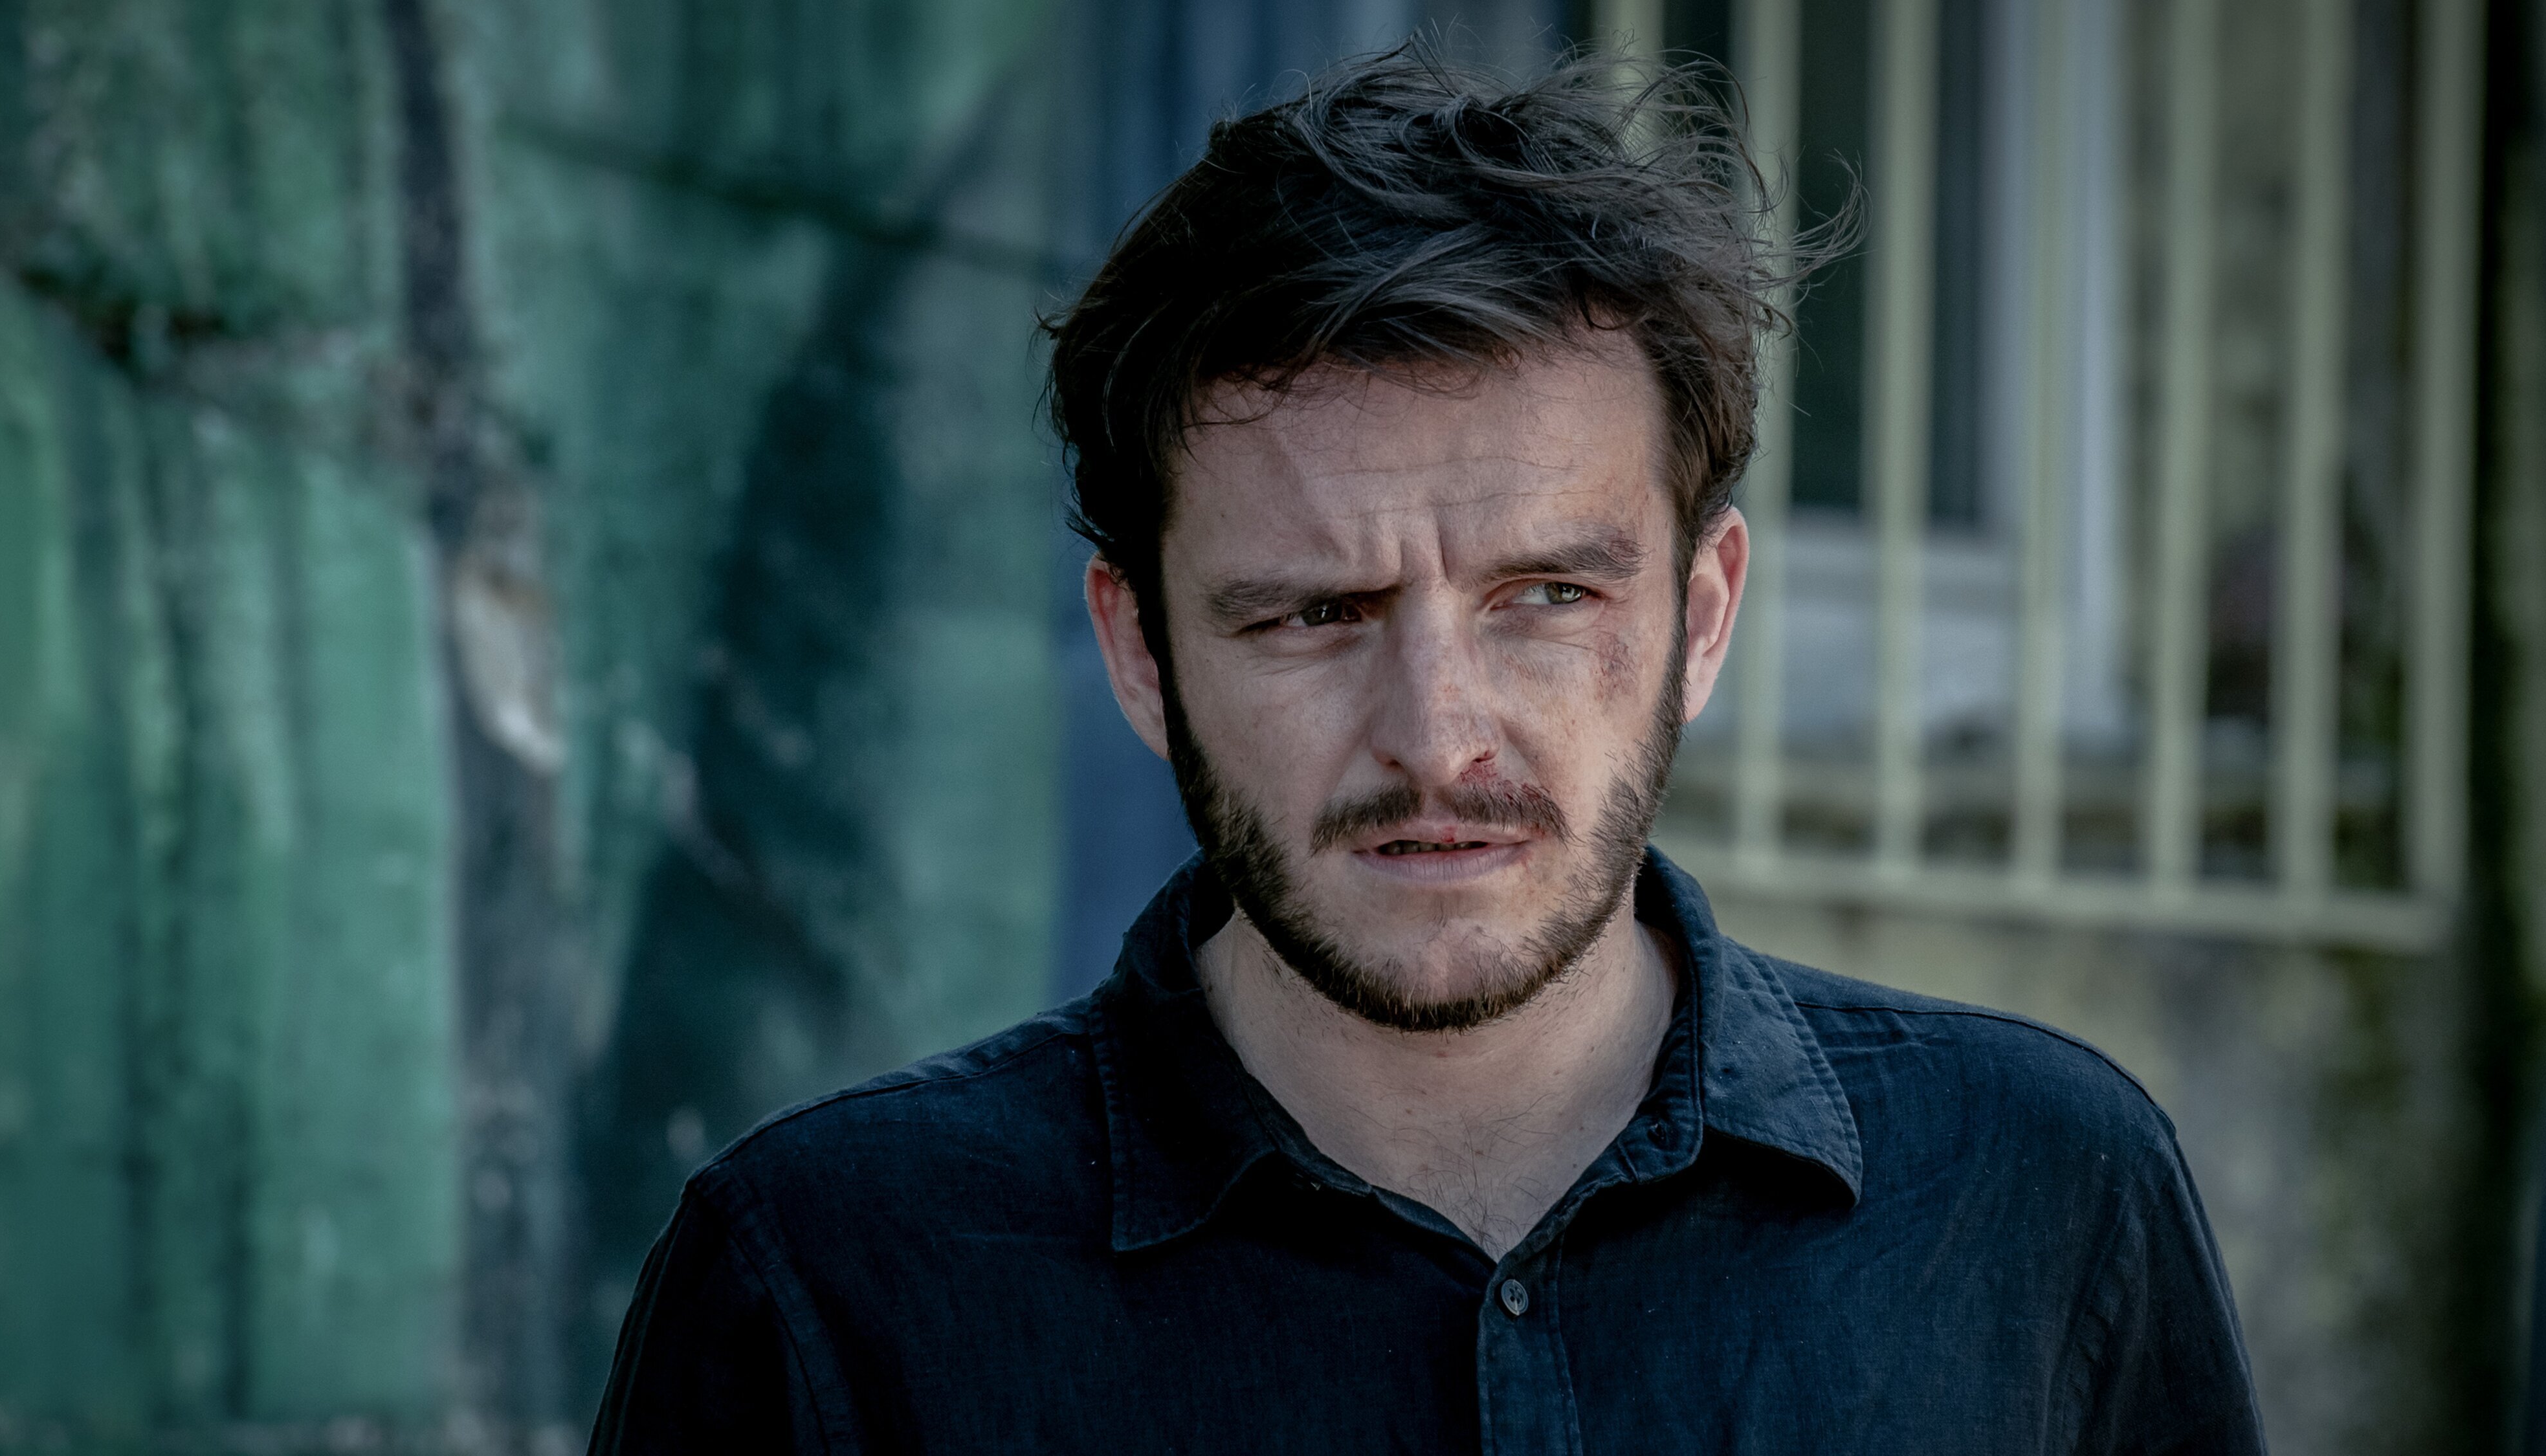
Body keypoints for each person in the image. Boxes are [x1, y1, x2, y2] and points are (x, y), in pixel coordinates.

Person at [590, 47, 2263, 1454]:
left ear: (1700, 619)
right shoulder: (823, 1284)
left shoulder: (2045, 1196)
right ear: (1140, 651)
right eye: (1315, 614)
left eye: (1545, 596)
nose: (1437, 735)